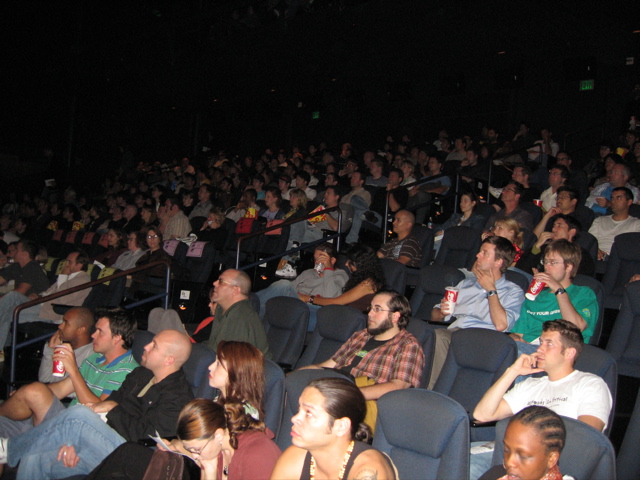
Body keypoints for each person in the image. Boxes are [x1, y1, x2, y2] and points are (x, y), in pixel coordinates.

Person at [0, 329, 195, 480]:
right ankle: (17, 450)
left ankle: (8, 449)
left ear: (169, 360)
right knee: (35, 455)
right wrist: (77, 439)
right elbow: (111, 403)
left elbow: (146, 437)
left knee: (80, 414)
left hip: (127, 453)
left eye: (154, 346)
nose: (145, 347)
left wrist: (112, 410)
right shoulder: (141, 374)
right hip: (101, 441)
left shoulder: (178, 396)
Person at [85, 341, 282, 480]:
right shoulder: (218, 401)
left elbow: (217, 452)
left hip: (195, 469)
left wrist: (184, 449)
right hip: (193, 463)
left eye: (219, 364)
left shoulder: (244, 415)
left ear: (237, 374)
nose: (210, 367)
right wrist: (175, 444)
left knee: (128, 454)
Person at [471, 320, 611, 480]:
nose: (539, 349)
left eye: (548, 344)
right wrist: (512, 371)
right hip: (508, 454)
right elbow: (482, 414)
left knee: (466, 467)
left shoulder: (589, 384)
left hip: (545, 464)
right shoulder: (530, 385)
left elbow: (587, 436)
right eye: (541, 342)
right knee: (453, 456)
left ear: (569, 353)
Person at [0, 307, 137, 440]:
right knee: (6, 422)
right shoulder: (94, 359)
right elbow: (60, 389)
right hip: (66, 417)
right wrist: (24, 394)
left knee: (33, 393)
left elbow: (99, 410)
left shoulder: (127, 370)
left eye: (100, 332)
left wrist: (73, 370)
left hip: (84, 428)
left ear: (117, 338)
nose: (93, 335)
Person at [428, 236, 524, 388]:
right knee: (427, 333)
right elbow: (435, 315)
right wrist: (441, 313)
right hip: (457, 331)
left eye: (484, 253)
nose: (477, 255)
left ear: (498, 262)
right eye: (479, 251)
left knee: (441, 336)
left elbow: (502, 325)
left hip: (487, 336)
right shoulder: (465, 283)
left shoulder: (513, 291)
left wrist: (491, 290)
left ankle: (434, 391)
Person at [300, 290, 424, 405]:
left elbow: (399, 385)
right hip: (335, 388)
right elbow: (327, 365)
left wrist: (349, 394)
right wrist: (291, 377)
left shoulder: (407, 345)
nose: (370, 313)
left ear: (395, 316)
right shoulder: (361, 335)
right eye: (371, 308)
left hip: (360, 402)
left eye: (377, 309)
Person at [270, 377, 397, 480]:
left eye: (309, 413)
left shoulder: (368, 471)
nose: (294, 419)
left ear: (341, 426)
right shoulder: (295, 456)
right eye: (299, 410)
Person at [0, 249, 93, 361]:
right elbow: (49, 292)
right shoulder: (70, 276)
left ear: (80, 264)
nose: (66, 265)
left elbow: (61, 298)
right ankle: (5, 349)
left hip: (50, 311)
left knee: (10, 314)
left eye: (69, 262)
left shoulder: (82, 279)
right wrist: (39, 296)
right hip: (40, 303)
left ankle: (2, 350)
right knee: (12, 295)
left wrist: (63, 276)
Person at [510, 240, 598, 353]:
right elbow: (518, 333)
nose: (547, 267)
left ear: (569, 267)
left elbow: (576, 327)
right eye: (545, 262)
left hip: (559, 351)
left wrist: (559, 290)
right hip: (527, 349)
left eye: (553, 262)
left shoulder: (584, 294)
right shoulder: (535, 296)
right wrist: (513, 339)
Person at [297, 244, 386, 331]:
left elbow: (336, 302)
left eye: (350, 261)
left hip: (346, 322)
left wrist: (308, 298)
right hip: (339, 315)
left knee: (295, 315)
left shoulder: (369, 283)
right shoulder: (358, 279)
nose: (346, 264)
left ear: (359, 263)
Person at [256, 243, 348, 318]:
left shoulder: (340, 275)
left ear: (332, 260)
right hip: (296, 303)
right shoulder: (308, 273)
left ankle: (250, 304)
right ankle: (251, 309)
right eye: (315, 259)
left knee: (284, 284)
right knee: (270, 304)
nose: (317, 262)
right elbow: (290, 289)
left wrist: (328, 269)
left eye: (322, 258)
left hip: (314, 309)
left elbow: (330, 297)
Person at [478, 406, 568, 480]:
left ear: (551, 459)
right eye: (506, 450)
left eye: (523, 456)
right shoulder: (495, 474)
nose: (509, 462)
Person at [206, 269, 271, 358]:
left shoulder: (241, 317)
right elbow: (213, 346)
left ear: (235, 290)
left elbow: (233, 361)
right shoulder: (221, 309)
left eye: (221, 281)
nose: (214, 283)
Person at [37, 306, 95, 384]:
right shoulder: (64, 348)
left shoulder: (91, 354)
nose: (60, 326)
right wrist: (50, 351)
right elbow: (45, 379)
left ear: (81, 330)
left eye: (66, 323)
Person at [588, 186, 640, 259]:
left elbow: (633, 248)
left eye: (618, 198)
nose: (613, 201)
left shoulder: (636, 224)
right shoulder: (599, 220)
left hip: (619, 259)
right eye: (612, 198)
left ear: (629, 202)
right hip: (597, 256)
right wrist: (595, 250)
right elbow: (590, 240)